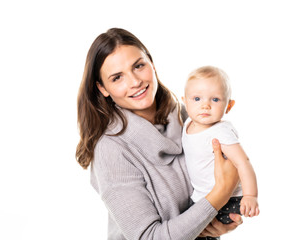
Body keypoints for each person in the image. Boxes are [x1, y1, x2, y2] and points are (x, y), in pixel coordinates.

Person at [76, 28, 242, 240]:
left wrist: (226, 221)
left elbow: (226, 177)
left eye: (138, 66)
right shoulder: (111, 150)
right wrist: (220, 195)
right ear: (102, 88)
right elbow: (150, 237)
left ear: (152, 64)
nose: (135, 81)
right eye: (117, 77)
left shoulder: (187, 117)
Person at [182, 66, 260, 225]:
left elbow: (243, 162)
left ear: (229, 106)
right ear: (185, 101)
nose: (205, 105)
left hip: (227, 200)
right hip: (203, 197)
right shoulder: (188, 123)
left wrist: (250, 195)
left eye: (215, 99)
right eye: (197, 99)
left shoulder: (220, 131)